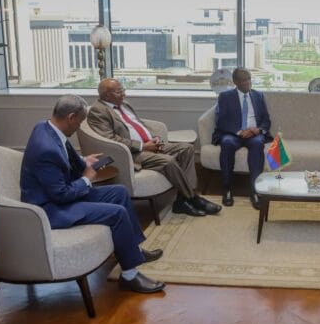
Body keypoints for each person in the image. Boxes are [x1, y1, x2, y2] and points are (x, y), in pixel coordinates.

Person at [20, 95, 165, 294]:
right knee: (117, 213)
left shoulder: (46, 127)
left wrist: (84, 160)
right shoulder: (45, 149)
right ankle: (129, 276)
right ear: (71, 117)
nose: (79, 127)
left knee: (119, 192)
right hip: (50, 209)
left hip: (59, 197)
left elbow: (64, 156)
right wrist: (87, 178)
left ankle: (134, 249)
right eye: (79, 121)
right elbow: (61, 195)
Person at [87, 78, 221, 217]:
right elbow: (110, 139)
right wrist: (142, 146)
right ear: (106, 95)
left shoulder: (124, 104)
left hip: (148, 144)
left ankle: (182, 200)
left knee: (186, 148)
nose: (124, 94)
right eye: (119, 91)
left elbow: (138, 125)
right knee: (168, 161)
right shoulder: (98, 111)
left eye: (123, 90)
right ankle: (192, 198)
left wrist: (154, 138)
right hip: (131, 153)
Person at [212, 67, 272, 208]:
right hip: (233, 134)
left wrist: (257, 130)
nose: (247, 83)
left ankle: (255, 191)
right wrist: (239, 132)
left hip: (253, 134)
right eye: (243, 81)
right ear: (235, 82)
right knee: (226, 143)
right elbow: (221, 121)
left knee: (258, 144)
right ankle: (227, 189)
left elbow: (266, 120)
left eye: (249, 80)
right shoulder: (225, 97)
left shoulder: (258, 95)